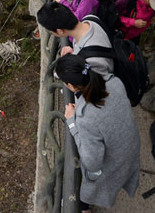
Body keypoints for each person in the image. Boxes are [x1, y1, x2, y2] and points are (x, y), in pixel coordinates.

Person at [56, 54, 140, 211]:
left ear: (71, 86)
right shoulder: (114, 81)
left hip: (115, 162)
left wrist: (72, 122)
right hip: (131, 148)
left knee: (88, 182)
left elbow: (92, 162)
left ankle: (83, 205)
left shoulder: (87, 116)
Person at [36, 1, 113, 78]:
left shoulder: (89, 61)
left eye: (52, 32)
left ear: (60, 31)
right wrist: (75, 53)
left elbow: (98, 85)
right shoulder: (90, 19)